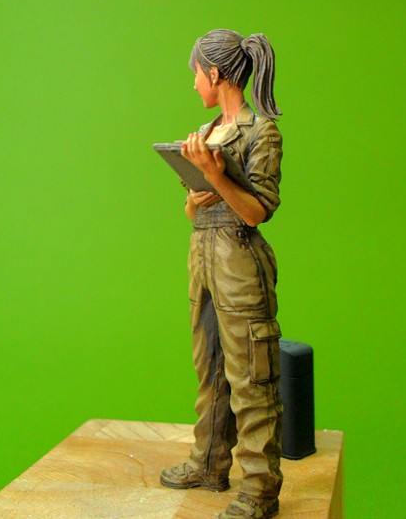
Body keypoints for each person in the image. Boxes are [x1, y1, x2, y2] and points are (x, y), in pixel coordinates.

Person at [160, 29, 284, 519]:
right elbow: (194, 213)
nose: (194, 83)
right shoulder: (205, 133)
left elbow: (256, 212)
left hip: (239, 263)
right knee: (209, 366)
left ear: (214, 74)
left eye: (196, 73)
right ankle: (209, 463)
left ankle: (260, 488)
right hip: (204, 261)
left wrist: (216, 177)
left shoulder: (261, 132)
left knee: (251, 375)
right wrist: (196, 194)